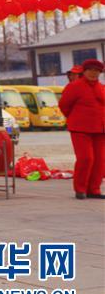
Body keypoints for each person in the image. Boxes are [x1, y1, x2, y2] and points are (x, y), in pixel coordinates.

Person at [58, 58, 105, 200]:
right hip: (80, 129)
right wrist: (75, 118)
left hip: (100, 129)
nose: (93, 73)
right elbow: (64, 105)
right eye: (90, 70)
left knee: (100, 160)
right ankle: (80, 189)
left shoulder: (101, 87)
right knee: (86, 158)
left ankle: (94, 190)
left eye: (97, 71)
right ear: (84, 71)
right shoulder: (74, 86)